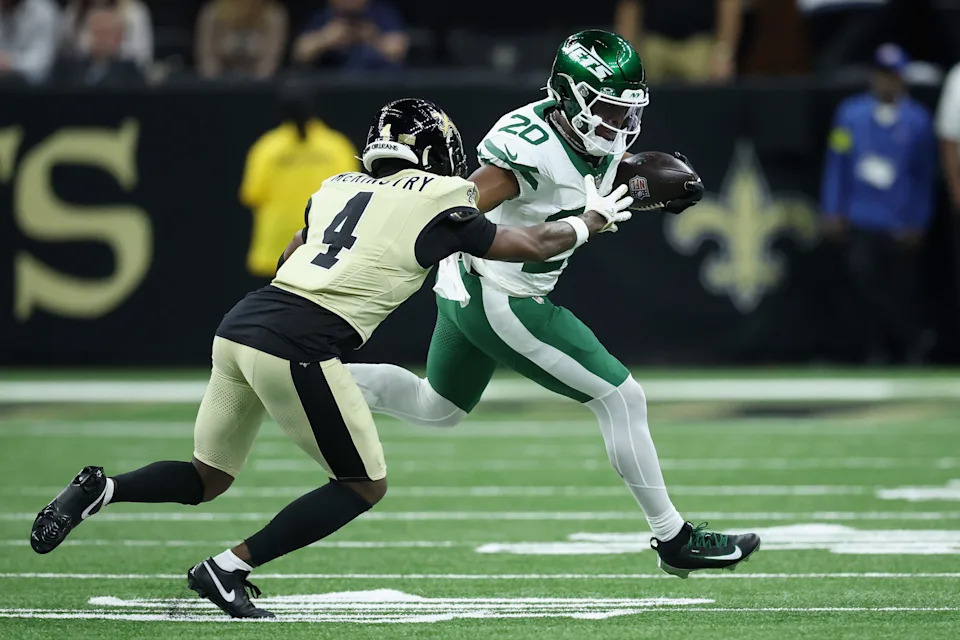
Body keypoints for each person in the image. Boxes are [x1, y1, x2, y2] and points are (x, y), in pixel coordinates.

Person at [29, 98, 636, 619]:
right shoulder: (441, 197)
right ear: (434, 153)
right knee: (363, 485)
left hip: (242, 325)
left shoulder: (335, 187)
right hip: (300, 344)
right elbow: (529, 243)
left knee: (206, 477)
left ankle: (102, 489)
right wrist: (591, 220)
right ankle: (227, 568)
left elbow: (293, 252)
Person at [347, 30, 760, 578]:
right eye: (608, 110)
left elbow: (602, 170)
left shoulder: (581, 134)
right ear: (570, 96)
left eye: (627, 111)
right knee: (621, 398)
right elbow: (456, 208)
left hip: (467, 287)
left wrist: (640, 181)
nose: (620, 123)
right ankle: (673, 537)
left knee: (436, 407)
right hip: (505, 297)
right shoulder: (528, 149)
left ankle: (308, 377)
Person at [820, 43, 936, 363]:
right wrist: (832, 208)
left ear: (902, 79)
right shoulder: (849, 115)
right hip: (860, 214)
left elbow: (924, 175)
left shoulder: (918, 120)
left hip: (898, 218)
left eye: (893, 75)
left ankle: (912, 345)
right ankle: (873, 350)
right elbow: (837, 162)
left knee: (901, 287)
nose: (886, 82)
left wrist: (919, 220)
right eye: (882, 75)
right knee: (862, 282)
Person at [240, 84, 358, 279]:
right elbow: (353, 195)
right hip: (322, 244)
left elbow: (252, 195)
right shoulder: (336, 146)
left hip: (277, 246)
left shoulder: (267, 148)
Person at [613, 0, 743, 82]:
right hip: (653, 46)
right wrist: (625, 59)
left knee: (704, 107)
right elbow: (630, 6)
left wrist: (723, 54)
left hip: (699, 48)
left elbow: (729, 5)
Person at [292, 0, 407, 72]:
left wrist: (372, 38)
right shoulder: (322, 18)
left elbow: (397, 49)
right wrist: (325, 38)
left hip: (374, 83)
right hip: (332, 85)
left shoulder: (381, 13)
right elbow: (300, 52)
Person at [48, 6, 144, 86]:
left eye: (107, 33)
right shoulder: (69, 66)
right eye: (97, 32)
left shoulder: (130, 71)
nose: (102, 39)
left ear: (120, 37)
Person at [195, 0, 287, 79]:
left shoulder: (273, 15)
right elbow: (206, 57)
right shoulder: (213, 13)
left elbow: (270, 60)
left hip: (257, 83)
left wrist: (258, 83)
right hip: (221, 81)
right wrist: (215, 82)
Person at [59, 0, 152, 70]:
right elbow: (66, 51)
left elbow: (142, 58)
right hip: (82, 73)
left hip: (122, 75)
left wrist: (110, 47)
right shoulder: (75, 10)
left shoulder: (133, 12)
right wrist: (91, 48)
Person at [0, 0, 59, 84]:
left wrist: (11, 63)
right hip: (5, 80)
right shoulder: (4, 8)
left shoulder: (42, 11)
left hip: (33, 84)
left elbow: (41, 62)